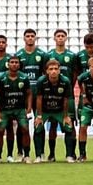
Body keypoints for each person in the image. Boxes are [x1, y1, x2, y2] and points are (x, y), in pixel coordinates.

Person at [45, 29, 78, 162]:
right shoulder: (49, 55)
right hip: (52, 95)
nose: (60, 38)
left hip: (67, 96)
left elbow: (75, 73)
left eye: (62, 36)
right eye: (58, 36)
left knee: (70, 123)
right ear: (54, 38)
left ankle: (71, 153)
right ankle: (52, 154)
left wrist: (69, 87)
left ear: (66, 38)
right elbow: (45, 73)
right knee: (53, 125)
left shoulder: (71, 55)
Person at [34, 60, 75, 163]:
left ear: (59, 70)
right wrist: (39, 116)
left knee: (69, 127)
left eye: (56, 69)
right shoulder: (41, 81)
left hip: (59, 110)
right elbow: (39, 99)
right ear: (46, 71)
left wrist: (66, 116)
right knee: (38, 127)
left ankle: (69, 156)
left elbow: (66, 99)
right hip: (44, 110)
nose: (53, 71)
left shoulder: (65, 81)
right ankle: (39, 156)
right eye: (51, 69)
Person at [0, 55, 32, 163]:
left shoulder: (24, 77)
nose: (14, 64)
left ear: (19, 65)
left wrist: (28, 108)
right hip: (5, 109)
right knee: (0, 130)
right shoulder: (1, 78)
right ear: (8, 64)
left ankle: (27, 155)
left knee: (25, 129)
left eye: (16, 62)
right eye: (12, 62)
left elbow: (29, 94)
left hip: (20, 109)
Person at [16, 28, 47, 160]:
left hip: (39, 95)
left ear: (35, 38)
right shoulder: (19, 55)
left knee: (39, 123)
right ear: (24, 38)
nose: (30, 38)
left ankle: (40, 153)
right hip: (23, 96)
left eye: (32, 36)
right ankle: (21, 152)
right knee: (22, 124)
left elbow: (46, 75)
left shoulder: (42, 54)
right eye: (27, 36)